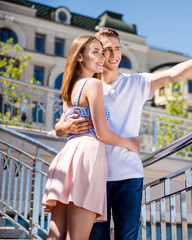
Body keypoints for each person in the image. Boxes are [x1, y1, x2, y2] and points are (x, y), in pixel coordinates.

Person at [54, 28, 192, 240]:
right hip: (96, 175)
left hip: (128, 176)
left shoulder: (136, 83)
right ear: (95, 52)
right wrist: (64, 127)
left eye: (117, 48)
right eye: (106, 50)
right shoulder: (87, 85)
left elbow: (174, 74)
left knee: (128, 237)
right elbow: (61, 124)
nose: (114, 55)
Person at [42, 35, 140, 240]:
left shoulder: (69, 88)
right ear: (79, 57)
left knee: (56, 236)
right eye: (96, 52)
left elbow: (60, 126)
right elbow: (102, 133)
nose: (102, 57)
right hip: (87, 157)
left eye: (101, 52)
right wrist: (130, 143)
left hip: (67, 155)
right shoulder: (93, 85)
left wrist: (63, 127)